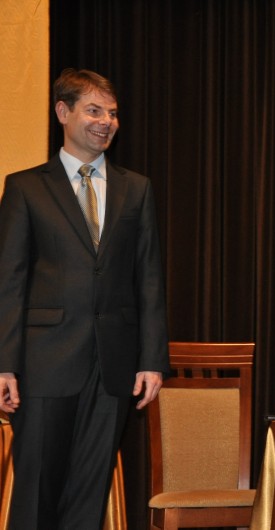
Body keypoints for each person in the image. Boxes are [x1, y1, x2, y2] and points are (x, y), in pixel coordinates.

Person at [0, 68, 170, 529]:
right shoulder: (25, 187)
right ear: (63, 112)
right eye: (94, 111)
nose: (106, 121)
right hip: (43, 364)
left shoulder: (136, 188)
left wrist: (151, 360)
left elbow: (148, 277)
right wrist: (4, 364)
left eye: (112, 113)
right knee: (36, 494)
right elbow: (9, 280)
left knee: (89, 497)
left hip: (113, 366)